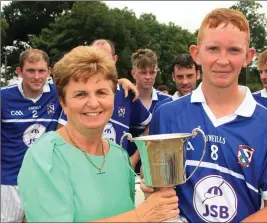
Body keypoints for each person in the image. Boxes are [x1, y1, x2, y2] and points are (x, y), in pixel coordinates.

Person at [143, 8, 267, 223]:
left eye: (234, 50)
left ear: (248, 56)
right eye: (213, 49)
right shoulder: (167, 115)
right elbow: (160, 190)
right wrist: (152, 187)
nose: (223, 60)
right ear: (196, 53)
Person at [17, 46, 179, 222]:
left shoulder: (120, 156)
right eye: (81, 94)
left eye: (101, 92)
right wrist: (141, 215)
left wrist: (152, 203)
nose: (93, 103)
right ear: (63, 102)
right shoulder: (45, 157)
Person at [59, 39, 152, 168]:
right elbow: (61, 131)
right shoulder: (76, 97)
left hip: (118, 170)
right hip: (81, 168)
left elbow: (150, 124)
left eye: (101, 93)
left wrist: (134, 158)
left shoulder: (127, 93)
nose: (93, 103)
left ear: (114, 60)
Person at [1, 49, 64, 222]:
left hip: (44, 179)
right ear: (19, 71)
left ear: (49, 72)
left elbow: (91, 85)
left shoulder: (58, 94)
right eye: (30, 70)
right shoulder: (4, 97)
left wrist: (122, 81)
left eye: (41, 71)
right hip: (10, 179)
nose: (37, 76)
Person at [127, 48, 171, 170]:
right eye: (143, 72)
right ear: (133, 73)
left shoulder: (168, 101)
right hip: (123, 164)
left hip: (156, 168)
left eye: (152, 72)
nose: (148, 77)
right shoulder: (123, 98)